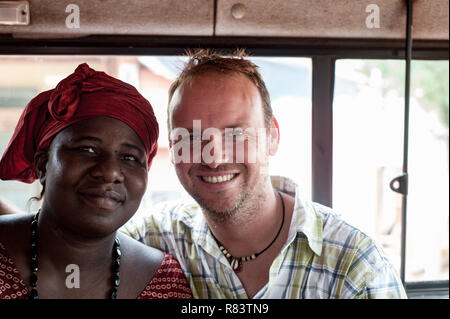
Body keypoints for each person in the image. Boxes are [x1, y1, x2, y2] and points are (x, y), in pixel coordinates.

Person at [1, 51, 407, 299]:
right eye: (190, 137)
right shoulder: (156, 241)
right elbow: (64, 232)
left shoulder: (355, 265)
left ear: (272, 138)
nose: (213, 157)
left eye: (235, 134)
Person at [0, 63, 192, 299]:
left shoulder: (164, 282)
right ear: (43, 164)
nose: (110, 171)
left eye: (129, 157)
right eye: (87, 149)